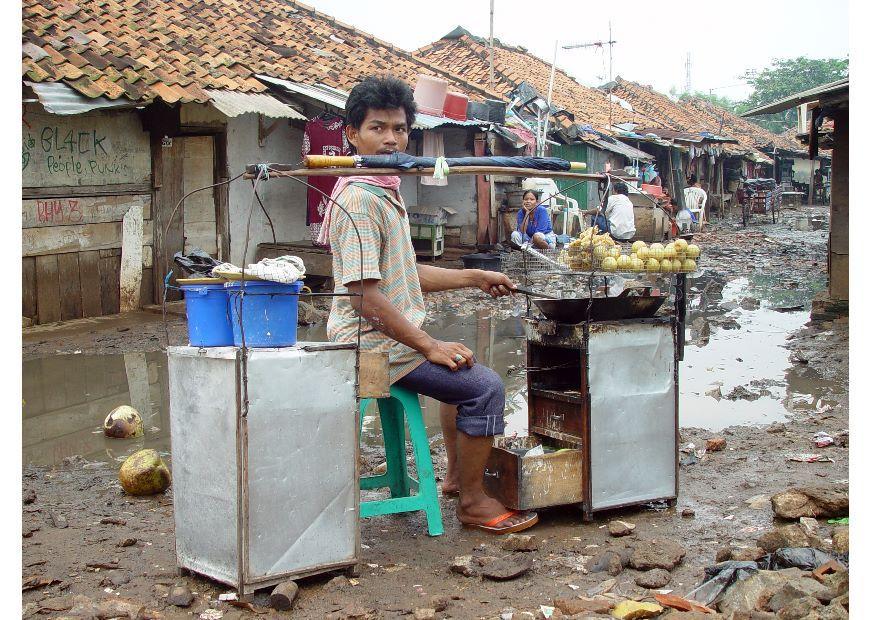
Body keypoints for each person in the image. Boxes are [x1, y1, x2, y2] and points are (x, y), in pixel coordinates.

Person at [323, 76, 538, 534]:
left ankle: (459, 480)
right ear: (351, 134)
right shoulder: (361, 199)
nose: (390, 139)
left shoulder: (384, 191)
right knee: (485, 387)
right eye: (377, 128)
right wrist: (428, 345)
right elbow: (365, 296)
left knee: (462, 360)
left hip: (385, 336)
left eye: (399, 129)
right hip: (368, 344)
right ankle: (474, 503)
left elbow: (405, 273)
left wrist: (474, 277)